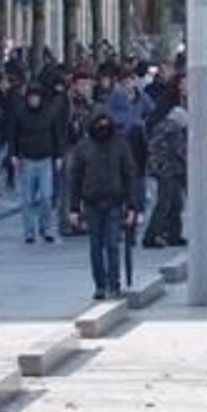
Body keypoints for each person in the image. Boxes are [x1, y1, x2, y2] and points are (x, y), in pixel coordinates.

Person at [68, 107, 139, 301]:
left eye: (105, 122)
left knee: (112, 245)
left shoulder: (120, 145)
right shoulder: (84, 147)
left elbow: (129, 176)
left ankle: (113, 284)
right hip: (91, 202)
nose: (103, 126)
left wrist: (132, 206)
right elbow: (75, 178)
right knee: (95, 246)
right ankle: (100, 285)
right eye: (99, 123)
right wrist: (74, 208)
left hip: (114, 202)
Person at [9, 83, 66, 244]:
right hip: (27, 159)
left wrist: (59, 156)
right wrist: (13, 155)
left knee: (46, 197)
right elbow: (12, 134)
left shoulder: (50, 113)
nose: (33, 100)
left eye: (36, 97)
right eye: (31, 97)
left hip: (46, 159)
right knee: (27, 198)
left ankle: (45, 228)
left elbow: (57, 135)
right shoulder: (20, 114)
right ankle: (29, 232)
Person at [142, 105, 189, 249]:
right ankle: (151, 237)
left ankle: (173, 235)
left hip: (160, 169)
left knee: (174, 203)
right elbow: (180, 151)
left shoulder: (161, 125)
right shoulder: (175, 129)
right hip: (170, 170)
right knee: (166, 204)